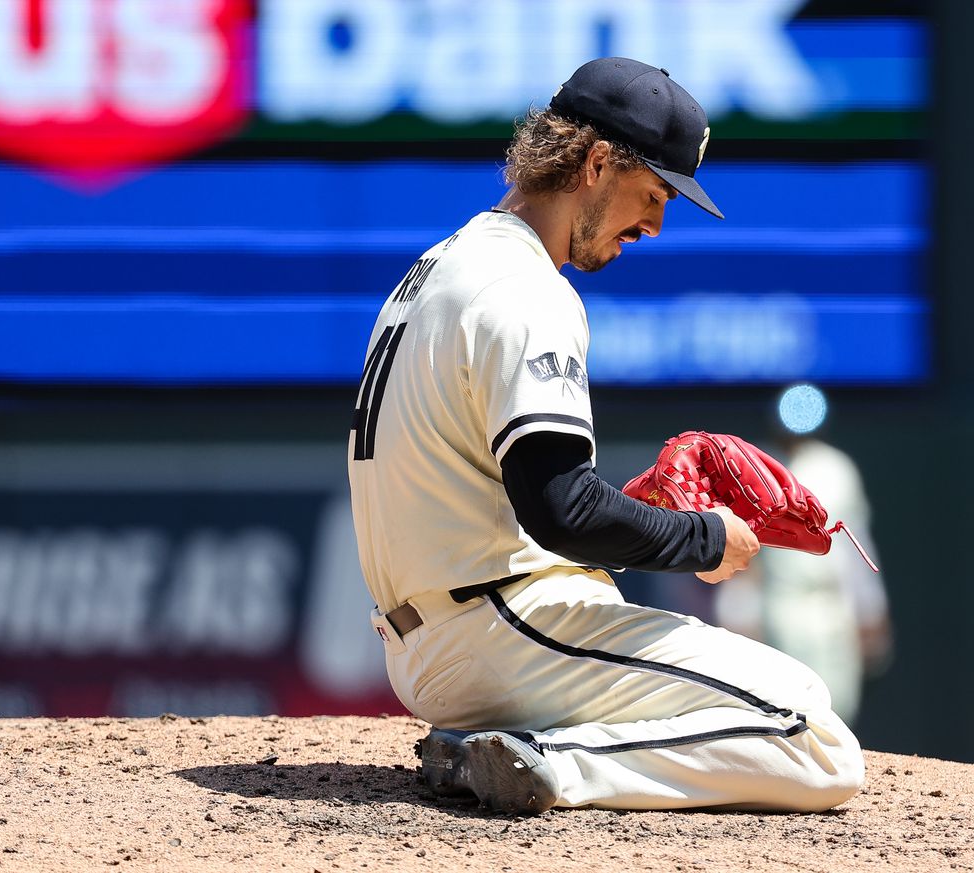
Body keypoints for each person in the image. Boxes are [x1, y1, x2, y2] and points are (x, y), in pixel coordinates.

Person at [347, 58, 865, 814]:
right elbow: (561, 510)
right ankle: (549, 762)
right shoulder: (526, 289)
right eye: (653, 194)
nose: (656, 224)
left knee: (764, 703)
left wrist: (634, 518)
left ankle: (500, 747)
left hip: (433, 639)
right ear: (595, 163)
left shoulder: (437, 267)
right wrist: (703, 536)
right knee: (812, 732)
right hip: (500, 631)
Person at [714, 433, 893, 725]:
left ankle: (835, 764)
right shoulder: (757, 468)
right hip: (781, 600)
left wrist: (870, 608)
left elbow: (854, 544)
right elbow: (745, 549)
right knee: (786, 703)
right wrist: (737, 611)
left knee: (839, 704)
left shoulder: (836, 468)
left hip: (833, 601)